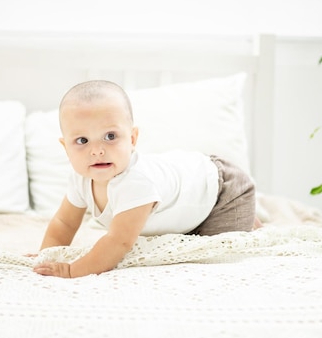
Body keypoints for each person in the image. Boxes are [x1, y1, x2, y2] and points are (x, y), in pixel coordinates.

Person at [32, 80, 257, 278]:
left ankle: (249, 219)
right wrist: (47, 255)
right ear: (65, 147)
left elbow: (119, 242)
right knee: (185, 237)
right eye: (82, 141)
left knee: (216, 248)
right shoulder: (80, 177)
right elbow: (64, 222)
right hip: (186, 193)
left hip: (222, 192)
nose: (97, 150)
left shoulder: (135, 183)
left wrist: (72, 270)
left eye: (110, 137)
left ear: (132, 138)